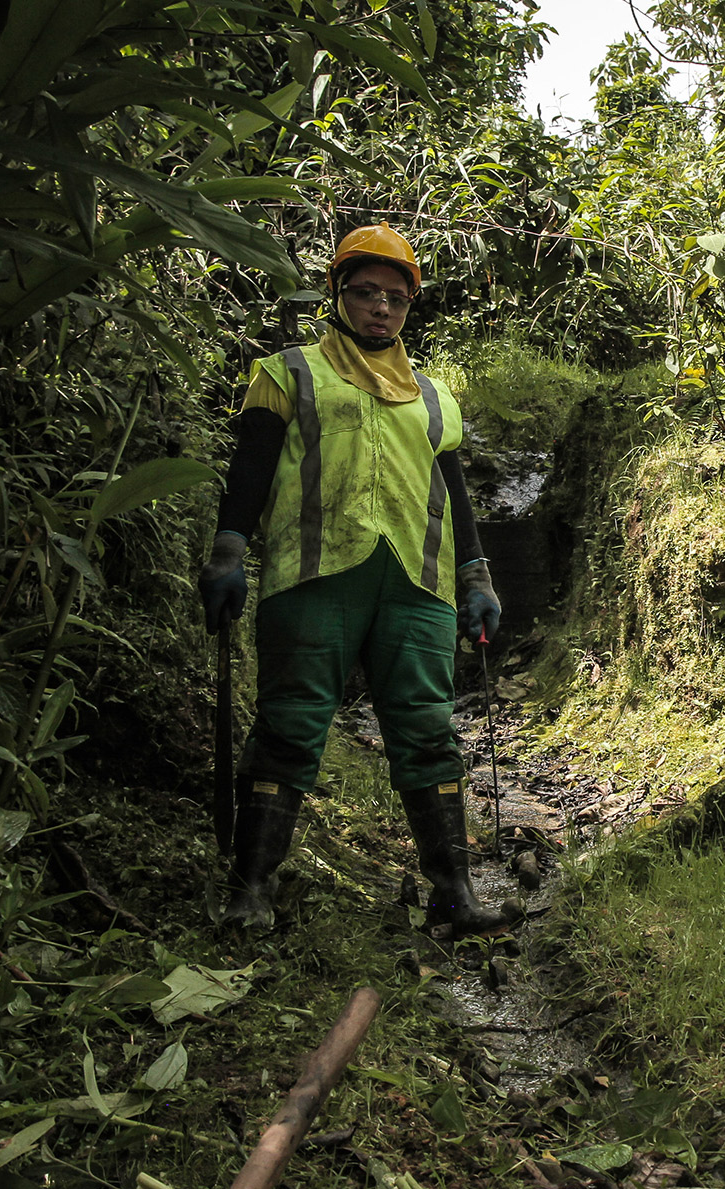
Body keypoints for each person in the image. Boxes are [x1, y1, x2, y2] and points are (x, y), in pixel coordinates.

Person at [196, 222, 522, 938]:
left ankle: (454, 896)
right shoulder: (289, 373)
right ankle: (250, 891)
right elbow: (250, 469)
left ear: (410, 307)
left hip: (417, 585)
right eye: (366, 293)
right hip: (314, 577)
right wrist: (228, 550)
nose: (381, 308)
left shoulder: (434, 397)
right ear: (338, 294)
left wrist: (477, 575)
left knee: (427, 731)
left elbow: (452, 490)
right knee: (289, 726)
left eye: (396, 299)